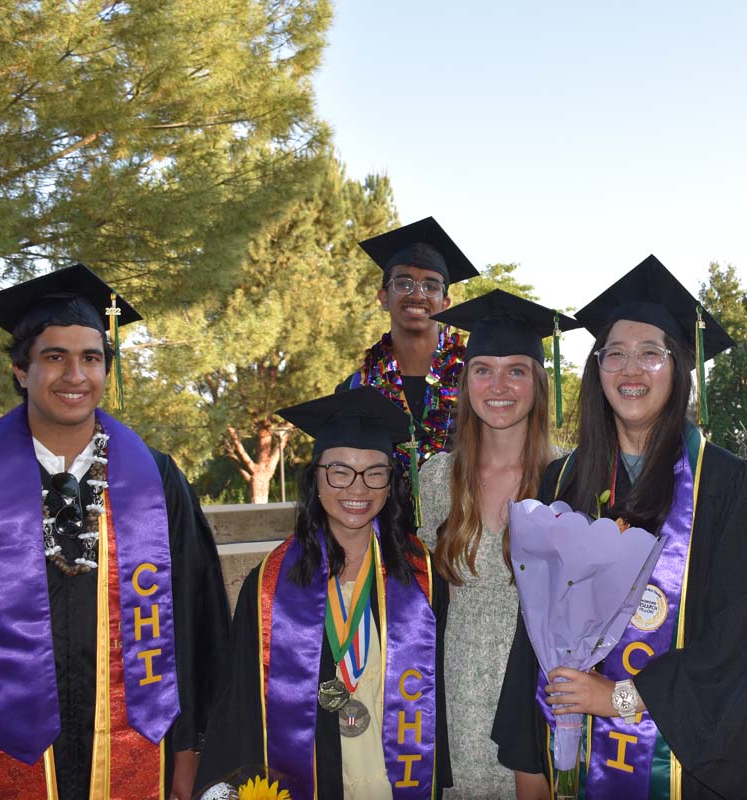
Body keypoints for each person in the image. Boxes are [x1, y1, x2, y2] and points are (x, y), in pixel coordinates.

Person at [492, 256, 747, 800]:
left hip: (687, 767)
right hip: (570, 757)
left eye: (652, 354)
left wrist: (622, 698)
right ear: (596, 371)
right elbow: (534, 636)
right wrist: (529, 762)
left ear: (679, 370)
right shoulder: (562, 481)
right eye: (614, 354)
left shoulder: (730, 486)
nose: (631, 369)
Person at [0, 264, 230, 799]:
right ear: (22, 371)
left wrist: (191, 749)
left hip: (139, 746)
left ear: (106, 371)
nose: (75, 375)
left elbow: (196, 617)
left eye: (90, 358)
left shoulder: (156, 480)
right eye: (54, 357)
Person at [196, 386, 451, 799]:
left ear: (391, 484)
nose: (358, 487)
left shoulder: (421, 577)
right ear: (315, 478)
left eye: (375, 472)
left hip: (395, 777)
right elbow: (239, 707)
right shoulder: (268, 586)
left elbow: (436, 698)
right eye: (339, 470)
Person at [416, 290, 578, 799]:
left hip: (539, 696)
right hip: (453, 692)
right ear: (464, 384)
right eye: (482, 369)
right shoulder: (438, 477)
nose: (499, 385)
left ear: (538, 382)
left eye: (516, 370)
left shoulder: (571, 474)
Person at [339, 217, 480, 471]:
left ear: (445, 303)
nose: (417, 294)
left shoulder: (475, 384)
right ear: (383, 298)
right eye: (403, 283)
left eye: (430, 286)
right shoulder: (355, 390)